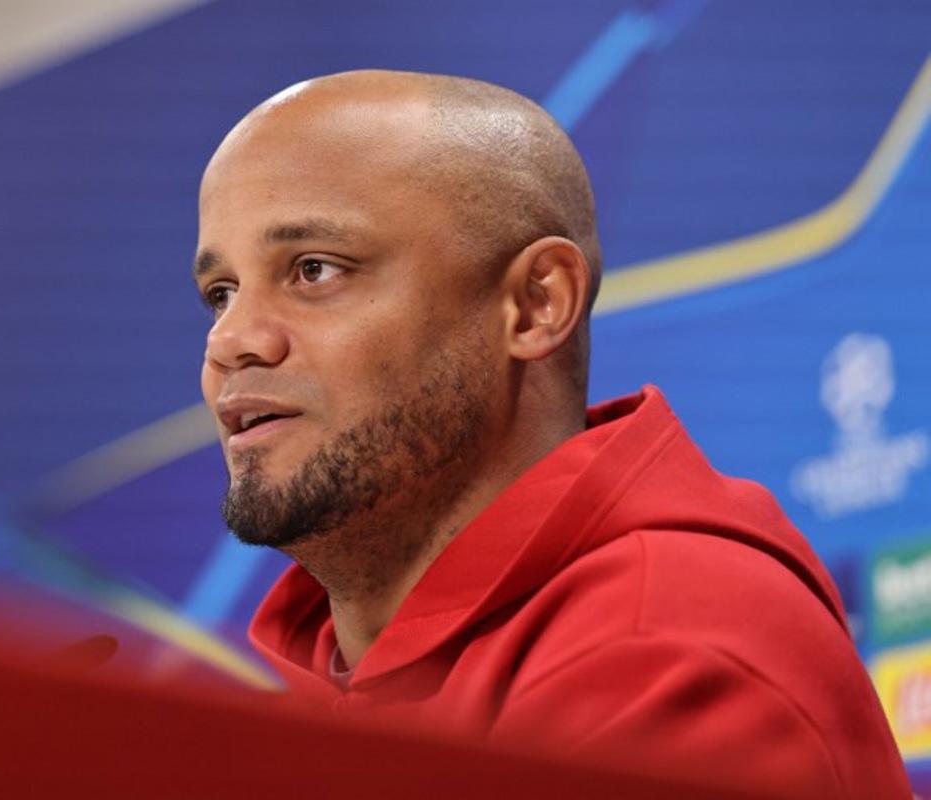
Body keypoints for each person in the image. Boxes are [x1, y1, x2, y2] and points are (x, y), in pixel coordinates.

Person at [193, 70, 908, 797]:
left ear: (535, 306)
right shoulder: (315, 689)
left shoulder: (665, 651)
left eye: (315, 270)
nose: (232, 341)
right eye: (220, 293)